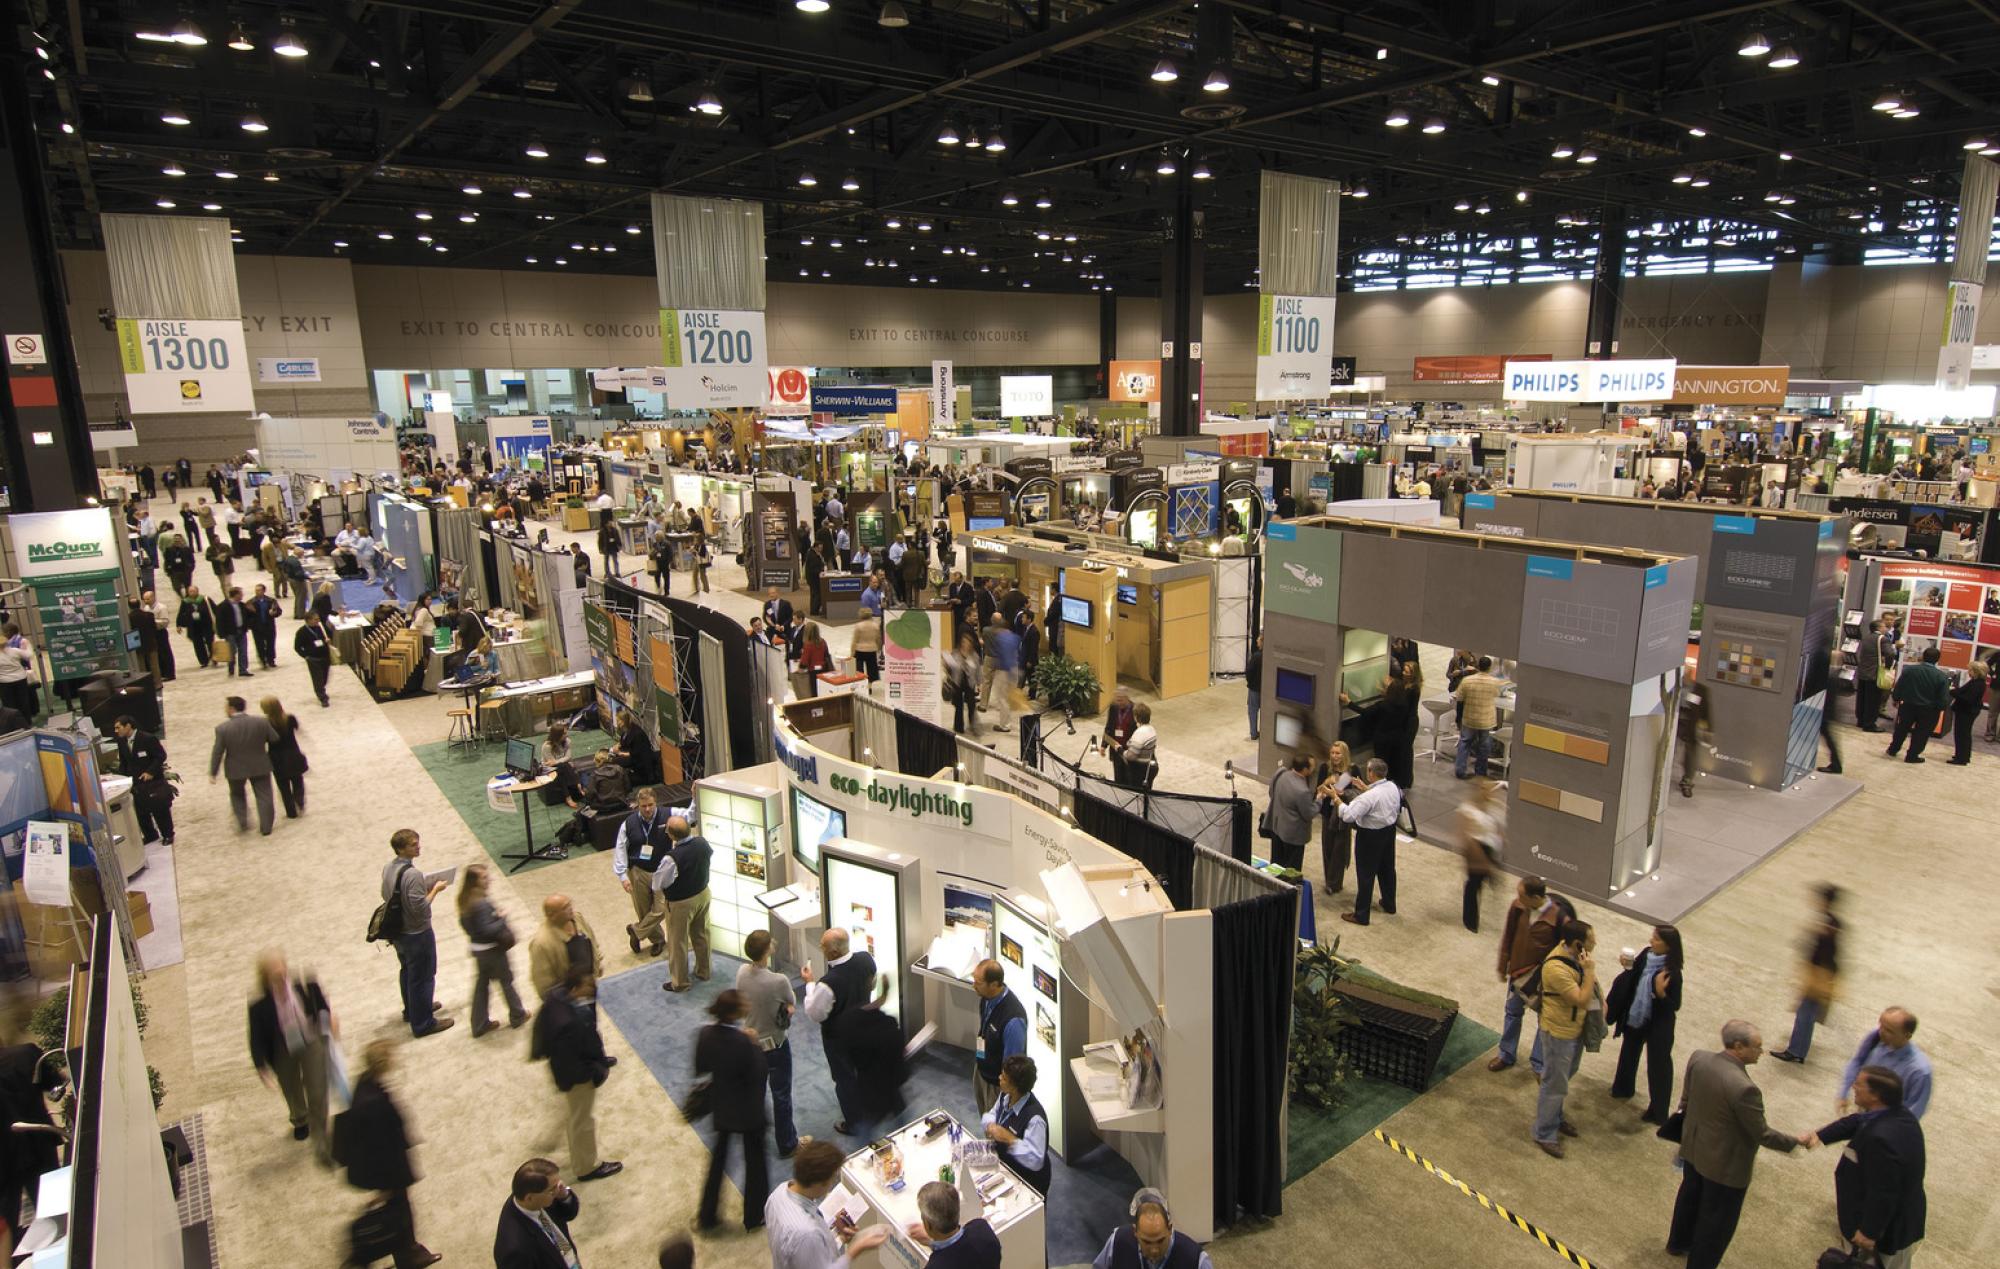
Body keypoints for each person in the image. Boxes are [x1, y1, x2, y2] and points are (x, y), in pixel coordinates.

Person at [1666, 1021, 1803, 1268]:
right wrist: (1795, 1142)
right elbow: (1762, 1134)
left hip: (1694, 1149)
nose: (1761, 1052)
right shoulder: (1745, 1089)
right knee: (1716, 1222)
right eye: (1757, 1047)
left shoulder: (1699, 1058)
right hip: (1724, 1167)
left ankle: (1678, 1242)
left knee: (1689, 1198)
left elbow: (1685, 1100)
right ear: (1739, 1047)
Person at [1805, 1066, 1927, 1269]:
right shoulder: (1896, 1114)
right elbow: (1859, 1121)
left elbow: (1884, 1191)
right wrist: (1822, 1135)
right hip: (1899, 1221)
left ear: (1875, 1096)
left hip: (1885, 1231)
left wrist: (1869, 1231)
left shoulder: (1881, 1139)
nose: (1853, 1086)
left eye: (1859, 1084)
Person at [339, 1040, 442, 1269]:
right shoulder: (374, 1102)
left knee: (400, 1212)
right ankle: (407, 1256)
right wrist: (387, 1187)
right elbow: (379, 1147)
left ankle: (408, 1253)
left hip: (387, 1169)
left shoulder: (365, 1083)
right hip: (390, 1171)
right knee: (400, 1214)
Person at [532, 965, 623, 1182]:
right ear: (575, 988)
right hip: (577, 1077)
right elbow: (572, 1058)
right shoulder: (568, 1022)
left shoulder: (555, 998)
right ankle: (586, 1167)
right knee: (582, 1121)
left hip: (567, 1072)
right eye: (588, 985)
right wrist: (592, 1074)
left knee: (575, 1115)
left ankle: (570, 1152)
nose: (593, 989)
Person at [247, 951, 334, 1161]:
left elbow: (322, 1007)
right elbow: (256, 1038)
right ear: (265, 976)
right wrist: (262, 1068)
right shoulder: (258, 1005)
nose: (280, 973)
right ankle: (300, 1118)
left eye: (281, 968)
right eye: (274, 972)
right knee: (291, 1086)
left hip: (310, 1038)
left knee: (317, 1084)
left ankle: (319, 1122)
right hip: (282, 1048)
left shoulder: (304, 985)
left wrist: (327, 1028)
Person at [695, 989, 770, 1231]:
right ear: (735, 1012)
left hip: (722, 1106)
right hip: (749, 1111)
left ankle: (707, 1216)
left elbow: (701, 1067)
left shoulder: (705, 1034)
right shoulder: (744, 1043)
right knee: (756, 1163)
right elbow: (760, 1074)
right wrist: (756, 1045)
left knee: (717, 1162)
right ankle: (754, 1215)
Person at [763, 1140, 891, 1269]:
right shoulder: (807, 1235)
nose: (831, 1184)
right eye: (832, 1179)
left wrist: (835, 1235)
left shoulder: (777, 1194)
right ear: (819, 1183)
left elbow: (798, 1252)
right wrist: (857, 1248)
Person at [1528, 919, 1596, 1158]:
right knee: (1554, 1084)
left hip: (1573, 1029)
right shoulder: (1556, 968)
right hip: (1558, 1032)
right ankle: (1544, 1132)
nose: (1595, 943)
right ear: (1577, 944)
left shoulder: (1575, 956)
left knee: (1565, 1076)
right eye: (1590, 940)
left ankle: (1554, 1117)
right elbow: (1581, 999)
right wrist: (1589, 971)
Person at [801, 927, 876, 1135]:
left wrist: (809, 985)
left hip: (839, 1039)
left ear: (832, 953)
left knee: (844, 1078)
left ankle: (854, 1122)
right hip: (864, 1027)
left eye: (822, 945)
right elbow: (872, 985)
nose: (820, 948)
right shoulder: (866, 959)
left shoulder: (828, 984)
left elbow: (815, 1014)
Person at [381, 828, 454, 1037]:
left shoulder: (388, 868)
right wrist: (435, 890)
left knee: (407, 971)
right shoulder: (412, 875)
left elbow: (384, 893)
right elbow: (421, 908)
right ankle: (423, 1023)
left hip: (399, 932)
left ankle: (412, 1010)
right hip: (417, 932)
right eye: (413, 844)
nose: (418, 846)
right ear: (401, 849)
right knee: (423, 976)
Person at [1608, 924, 1684, 1124]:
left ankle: (1658, 1110)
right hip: (1636, 1016)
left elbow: (1674, 1005)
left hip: (1658, 1023)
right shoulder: (1646, 954)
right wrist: (1627, 966)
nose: (1651, 941)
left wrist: (1658, 994)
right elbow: (1633, 978)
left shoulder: (1673, 973)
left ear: (1668, 946)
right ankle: (1623, 1088)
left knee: (1658, 1066)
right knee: (1628, 1053)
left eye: (1657, 939)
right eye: (1653, 937)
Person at [737, 929, 801, 1158]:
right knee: (781, 1094)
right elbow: (791, 1002)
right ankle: (787, 1143)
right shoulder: (778, 980)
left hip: (751, 1044)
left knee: (754, 1092)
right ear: (767, 951)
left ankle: (752, 1137)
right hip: (775, 1045)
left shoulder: (742, 973)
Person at [1771, 883, 1843, 1064]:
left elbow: (1821, 950)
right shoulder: (1832, 921)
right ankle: (1798, 1050)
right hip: (1821, 973)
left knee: (1805, 1013)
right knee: (1807, 1012)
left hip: (1819, 975)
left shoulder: (1828, 924)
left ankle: (1796, 1051)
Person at [458, 862, 530, 1037]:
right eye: (484, 878)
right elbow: (487, 930)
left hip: (479, 951)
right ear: (474, 882)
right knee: (506, 981)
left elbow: (468, 926)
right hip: (492, 951)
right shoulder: (481, 903)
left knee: (481, 986)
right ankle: (517, 1014)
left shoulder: (465, 900)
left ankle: (479, 1024)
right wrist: (501, 918)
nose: (488, 880)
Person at [1833, 1007, 1933, 1120]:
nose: (1881, 1032)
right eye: (1881, 1025)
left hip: (1887, 1124)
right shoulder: (1875, 1038)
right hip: (1864, 1113)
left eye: (1889, 1030)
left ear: (1907, 1035)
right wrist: (1844, 1092)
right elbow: (1857, 1061)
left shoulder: (1919, 1071)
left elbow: (1914, 1110)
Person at [1336, 758, 1403, 926]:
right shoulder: (1393, 787)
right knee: (1387, 869)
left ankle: (1361, 914)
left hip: (1369, 837)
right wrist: (1365, 788)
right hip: (1388, 833)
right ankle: (1389, 903)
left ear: (1371, 773)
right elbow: (1380, 799)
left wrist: (1337, 801)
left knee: (1366, 874)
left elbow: (1348, 815)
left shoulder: (1369, 797)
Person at [492, 1158, 584, 1269]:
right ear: (529, 1198)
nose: (557, 1191)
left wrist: (565, 1196)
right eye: (552, 1189)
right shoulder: (515, 1249)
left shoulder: (538, 1196)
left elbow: (569, 1213)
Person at [1091, 1187, 1215, 1269]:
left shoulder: (1195, 1260)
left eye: (1160, 1240)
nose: (1154, 1250)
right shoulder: (1117, 1242)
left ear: (1170, 1229)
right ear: (1135, 1232)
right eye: (1147, 1242)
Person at [613, 788, 671, 959]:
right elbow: (620, 849)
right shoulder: (628, 824)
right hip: (638, 871)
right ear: (637, 805)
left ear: (656, 803)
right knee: (643, 909)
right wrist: (623, 876)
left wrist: (694, 796)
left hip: (661, 870)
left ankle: (636, 931)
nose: (647, 809)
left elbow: (689, 814)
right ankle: (658, 940)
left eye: (650, 805)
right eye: (643, 806)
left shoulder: (667, 815)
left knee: (662, 908)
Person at [982, 1054, 1051, 1197]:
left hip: (1028, 1182)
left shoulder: (1035, 1119)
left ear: (1015, 1086)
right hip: (1006, 1170)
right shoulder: (1005, 1096)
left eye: (1004, 1077)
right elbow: (992, 1114)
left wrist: (1010, 1139)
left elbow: (1036, 1160)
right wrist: (989, 1124)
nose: (999, 1078)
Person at [659, 815, 713, 993]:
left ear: (671, 835)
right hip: (703, 894)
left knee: (677, 942)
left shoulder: (671, 858)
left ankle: (680, 983)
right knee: (702, 934)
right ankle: (704, 971)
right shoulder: (702, 843)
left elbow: (657, 883)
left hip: (681, 903)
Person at [210, 695, 279, 835]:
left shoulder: (222, 729)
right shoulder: (261, 722)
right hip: (260, 765)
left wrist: (213, 772)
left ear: (231, 709)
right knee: (265, 796)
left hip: (235, 768)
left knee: (237, 795)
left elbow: (218, 752)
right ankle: (266, 828)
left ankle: (243, 823)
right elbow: (274, 738)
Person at [971, 959, 1027, 1114]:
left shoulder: (1013, 1021)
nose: (973, 986)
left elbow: (1013, 1065)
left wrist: (1006, 1096)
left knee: (994, 1127)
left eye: (978, 982)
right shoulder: (986, 998)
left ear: (994, 984)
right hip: (982, 1070)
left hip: (997, 1085)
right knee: (984, 1118)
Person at [908, 1181, 1001, 1269]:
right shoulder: (982, 1230)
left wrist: (933, 1241)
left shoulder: (936, 1266)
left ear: (928, 1225)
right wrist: (932, 1243)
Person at [113, 715, 175, 846]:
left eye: (118, 727)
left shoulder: (147, 738)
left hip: (153, 783)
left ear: (128, 726)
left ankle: (168, 835)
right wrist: (122, 778)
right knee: (141, 812)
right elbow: (124, 762)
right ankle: (150, 835)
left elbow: (160, 756)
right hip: (135, 784)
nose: (116, 731)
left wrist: (150, 772)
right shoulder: (122, 742)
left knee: (159, 809)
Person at [528, 894, 603, 1001]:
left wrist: (598, 962)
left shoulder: (577, 918)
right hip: (568, 1000)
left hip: (588, 987)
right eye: (565, 908)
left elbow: (592, 939)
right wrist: (572, 995)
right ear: (551, 915)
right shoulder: (541, 944)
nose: (570, 909)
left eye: (570, 904)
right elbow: (543, 984)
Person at [1454, 776, 1504, 933]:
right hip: (1475, 849)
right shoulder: (1467, 809)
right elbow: (1464, 835)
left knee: (1480, 881)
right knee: (1473, 884)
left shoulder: (1495, 807)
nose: (1488, 792)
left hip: (1490, 847)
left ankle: (1490, 877)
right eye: (1484, 789)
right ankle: (1470, 921)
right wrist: (1480, 859)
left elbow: (1498, 828)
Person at [1885, 645, 1950, 763]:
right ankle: (1912, 755)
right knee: (1922, 733)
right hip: (1928, 710)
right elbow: (1943, 698)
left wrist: (1896, 699)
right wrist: (1940, 708)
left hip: (1908, 705)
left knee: (1901, 729)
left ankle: (1893, 749)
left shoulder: (1909, 670)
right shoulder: (1941, 676)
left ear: (1923, 657)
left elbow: (1899, 686)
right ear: (1937, 660)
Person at [1315, 739, 1360, 893]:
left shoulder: (1353, 770)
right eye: (1332, 753)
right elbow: (1318, 790)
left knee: (1339, 849)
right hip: (1328, 813)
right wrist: (1328, 783)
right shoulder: (1324, 768)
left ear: (1344, 754)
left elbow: (1358, 794)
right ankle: (1329, 880)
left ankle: (1335, 883)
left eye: (1338, 753)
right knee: (1327, 846)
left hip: (1344, 814)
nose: (1335, 756)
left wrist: (1342, 794)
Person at [1264, 752, 1318, 873]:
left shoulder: (1281, 774)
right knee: (1291, 873)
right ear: (1305, 769)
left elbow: (1272, 793)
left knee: (1276, 866)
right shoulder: (1302, 791)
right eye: (1312, 766)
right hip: (1294, 837)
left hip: (1277, 829)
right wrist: (1319, 799)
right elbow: (1309, 813)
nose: (1314, 768)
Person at [1451, 656, 1503, 779]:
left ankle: (1460, 770)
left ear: (1478, 666)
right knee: (1484, 745)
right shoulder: (1494, 682)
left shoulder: (1467, 681)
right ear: (1489, 668)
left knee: (1464, 743)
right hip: (1486, 720)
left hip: (1469, 718)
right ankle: (1480, 771)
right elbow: (1497, 694)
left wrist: (1458, 718)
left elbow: (1459, 698)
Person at [260, 696, 309, 818]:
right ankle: (300, 802)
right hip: (293, 753)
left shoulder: (265, 724)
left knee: (283, 785)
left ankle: (291, 811)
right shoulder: (290, 718)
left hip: (276, 757)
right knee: (298, 780)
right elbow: (297, 729)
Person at [1947, 660, 1986, 764]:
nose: (1968, 672)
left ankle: (1962, 758)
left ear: (1976, 671)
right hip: (1966, 710)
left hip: (1967, 711)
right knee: (1962, 734)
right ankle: (1962, 755)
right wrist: (1954, 690)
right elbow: (1962, 691)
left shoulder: (1978, 684)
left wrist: (1952, 692)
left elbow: (1967, 699)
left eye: (1970, 670)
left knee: (1962, 734)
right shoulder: (1974, 681)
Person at [1854, 618, 1890, 731]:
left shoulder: (1866, 637)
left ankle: (1860, 720)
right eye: (1884, 626)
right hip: (1875, 673)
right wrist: (1888, 667)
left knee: (1862, 698)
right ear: (1879, 628)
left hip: (1863, 672)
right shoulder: (1882, 639)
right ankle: (1869, 724)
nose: (1886, 628)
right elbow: (1890, 653)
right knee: (1873, 700)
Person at [294, 609, 334, 707]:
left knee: (324, 677)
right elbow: (297, 647)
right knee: (317, 679)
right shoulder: (302, 632)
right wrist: (306, 656)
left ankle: (321, 690)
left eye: (318, 619)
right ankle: (322, 697)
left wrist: (328, 640)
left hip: (325, 656)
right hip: (313, 659)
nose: (318, 621)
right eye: (315, 619)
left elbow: (330, 634)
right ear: (308, 620)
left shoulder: (322, 627)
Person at [215, 586, 255, 677]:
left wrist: (252, 612)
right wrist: (221, 633)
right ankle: (231, 668)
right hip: (230, 633)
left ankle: (243, 670)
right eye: (241, 594)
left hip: (242, 630)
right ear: (236, 595)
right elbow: (220, 621)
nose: (242, 596)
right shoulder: (223, 606)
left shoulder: (242, 605)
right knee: (231, 652)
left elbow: (249, 616)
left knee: (243, 651)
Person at [1120, 703, 1159, 788]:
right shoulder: (1151, 729)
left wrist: (1121, 751)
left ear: (1137, 717)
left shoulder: (1140, 733)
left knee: (1137, 794)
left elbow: (1131, 756)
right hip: (1149, 768)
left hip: (1139, 770)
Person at [796, 621, 833, 696]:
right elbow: (827, 654)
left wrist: (799, 669)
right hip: (824, 669)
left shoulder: (808, 645)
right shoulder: (823, 641)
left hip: (813, 672)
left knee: (815, 692)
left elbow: (804, 661)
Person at [248, 583, 281, 668]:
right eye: (256, 590)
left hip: (269, 626)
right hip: (257, 627)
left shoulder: (271, 601)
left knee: (270, 643)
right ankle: (263, 660)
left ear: (263, 591)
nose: (257, 592)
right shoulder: (251, 602)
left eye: (259, 590)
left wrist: (274, 613)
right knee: (259, 645)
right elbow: (247, 616)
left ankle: (271, 660)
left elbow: (279, 611)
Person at [851, 610, 882, 685]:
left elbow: (855, 640)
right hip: (871, 650)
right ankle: (870, 686)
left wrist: (852, 652)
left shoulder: (858, 626)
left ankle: (861, 685)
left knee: (858, 670)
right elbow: (878, 639)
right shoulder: (875, 626)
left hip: (859, 650)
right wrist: (879, 648)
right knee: (872, 670)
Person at [1245, 634, 1262, 740]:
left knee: (1252, 710)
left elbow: (1249, 672)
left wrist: (1250, 682)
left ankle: (1254, 733)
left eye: (1259, 639)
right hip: (1265, 689)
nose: (1256, 641)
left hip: (1254, 688)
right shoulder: (1269, 656)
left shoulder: (1256, 656)